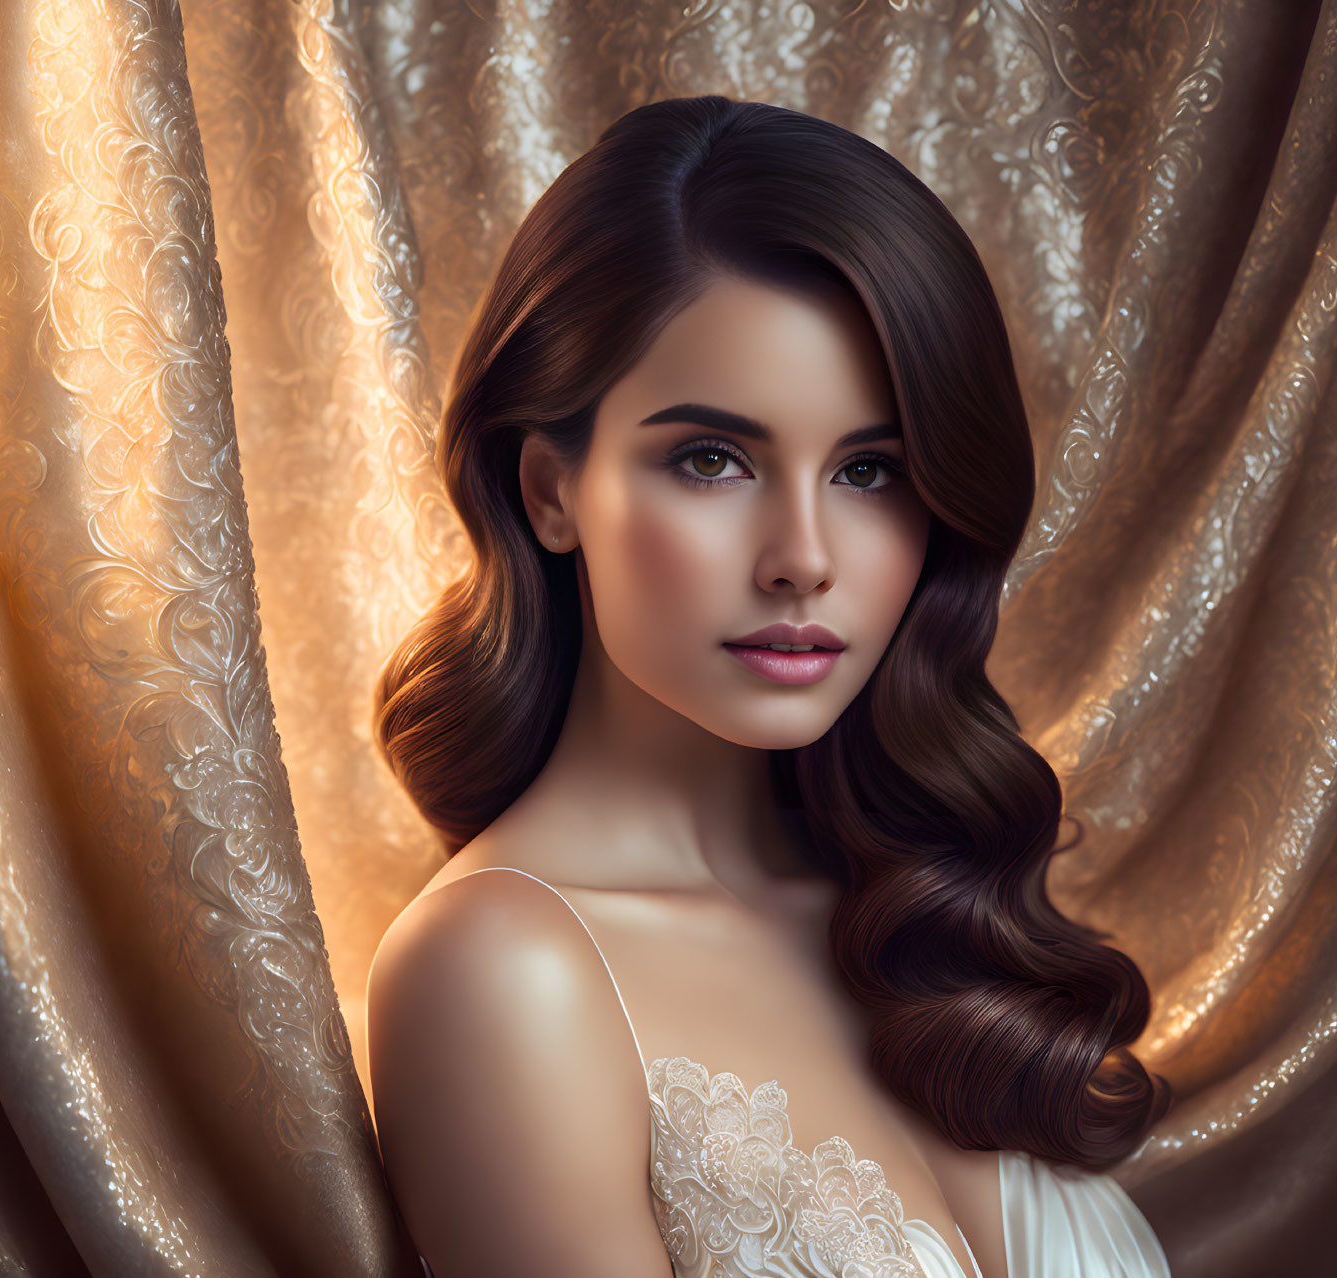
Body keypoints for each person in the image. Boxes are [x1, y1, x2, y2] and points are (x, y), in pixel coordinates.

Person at [366, 94, 1173, 1278]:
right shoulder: (501, 970)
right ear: (548, 489)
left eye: (868, 470)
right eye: (711, 459)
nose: (802, 555)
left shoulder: (912, 909)